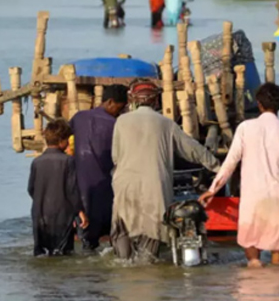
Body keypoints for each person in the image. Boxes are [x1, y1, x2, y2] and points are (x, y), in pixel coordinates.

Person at [111, 79, 221, 261]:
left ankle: (124, 266)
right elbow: (193, 149)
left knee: (123, 230)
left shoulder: (121, 122)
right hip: (154, 186)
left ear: (133, 100)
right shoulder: (166, 123)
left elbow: (115, 157)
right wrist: (218, 166)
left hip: (125, 185)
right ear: (155, 101)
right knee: (151, 237)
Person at [199, 83, 279, 267]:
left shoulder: (245, 128)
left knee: (252, 248)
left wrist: (212, 189)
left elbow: (230, 163)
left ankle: (253, 283)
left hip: (254, 195)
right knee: (278, 253)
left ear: (259, 104)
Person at [70, 85, 129, 250]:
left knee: (86, 237)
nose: (120, 111)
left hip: (80, 187)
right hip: (104, 186)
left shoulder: (78, 117)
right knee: (108, 234)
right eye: (120, 107)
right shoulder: (116, 125)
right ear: (110, 102)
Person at [27, 120, 89, 256]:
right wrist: (80, 212)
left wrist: (41, 200)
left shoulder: (36, 162)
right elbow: (72, 189)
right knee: (63, 253)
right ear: (61, 141)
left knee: (42, 254)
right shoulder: (68, 161)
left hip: (39, 215)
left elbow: (31, 188)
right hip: (62, 216)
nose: (67, 143)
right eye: (67, 140)